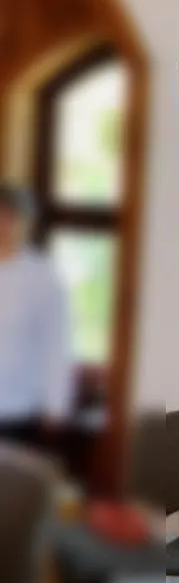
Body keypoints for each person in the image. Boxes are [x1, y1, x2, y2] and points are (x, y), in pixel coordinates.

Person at [0, 184, 73, 444]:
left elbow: (56, 343)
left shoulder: (42, 277)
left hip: (19, 408)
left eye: (10, 217)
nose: (3, 225)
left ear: (23, 222)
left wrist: (56, 405)